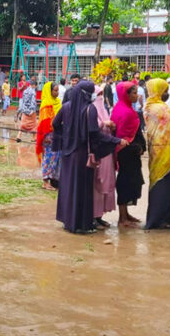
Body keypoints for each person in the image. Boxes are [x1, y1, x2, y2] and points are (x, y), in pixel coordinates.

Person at [52, 81, 127, 234]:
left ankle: (68, 222)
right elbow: (95, 134)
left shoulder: (66, 106)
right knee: (81, 189)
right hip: (82, 156)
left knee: (68, 187)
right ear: (86, 93)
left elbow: (55, 123)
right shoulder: (90, 109)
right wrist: (116, 140)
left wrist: (66, 139)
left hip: (68, 155)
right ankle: (81, 224)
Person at [143, 79, 170, 230]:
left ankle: (163, 217)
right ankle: (158, 219)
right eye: (165, 90)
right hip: (166, 151)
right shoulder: (159, 109)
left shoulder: (150, 106)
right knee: (164, 185)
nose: (167, 93)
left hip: (158, 150)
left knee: (161, 184)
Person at [111, 81, 146, 227]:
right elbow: (122, 134)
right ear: (125, 94)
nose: (137, 95)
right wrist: (135, 146)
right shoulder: (123, 111)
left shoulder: (128, 109)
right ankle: (122, 218)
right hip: (125, 152)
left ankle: (126, 214)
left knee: (132, 181)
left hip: (131, 152)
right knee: (125, 182)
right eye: (134, 93)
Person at [93, 83, 119, 228]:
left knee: (107, 182)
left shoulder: (103, 109)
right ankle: (94, 215)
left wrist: (110, 125)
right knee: (98, 183)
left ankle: (100, 215)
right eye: (98, 95)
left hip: (107, 153)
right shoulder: (91, 110)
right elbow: (93, 128)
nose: (100, 98)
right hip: (99, 152)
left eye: (102, 95)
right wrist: (104, 124)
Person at [36, 81, 61, 191]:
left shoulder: (58, 102)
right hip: (48, 135)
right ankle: (45, 181)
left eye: (57, 90)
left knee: (56, 158)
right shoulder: (46, 103)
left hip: (57, 134)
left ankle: (52, 180)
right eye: (55, 90)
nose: (57, 92)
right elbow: (45, 122)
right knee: (48, 159)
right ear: (49, 91)